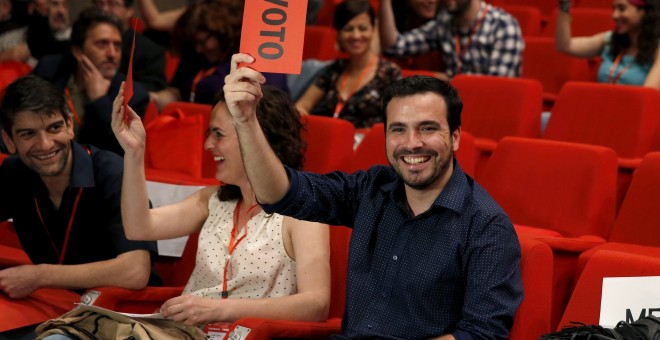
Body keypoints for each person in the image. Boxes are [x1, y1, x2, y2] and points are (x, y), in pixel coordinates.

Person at [224, 53, 524, 339]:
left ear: (455, 137)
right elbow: (281, 194)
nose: (411, 143)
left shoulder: (487, 226)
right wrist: (246, 120)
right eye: (398, 130)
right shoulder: (371, 188)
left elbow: (482, 334)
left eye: (427, 128)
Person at [103, 82, 331, 326]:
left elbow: (316, 304)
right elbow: (138, 227)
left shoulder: (302, 212)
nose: (207, 144)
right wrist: (134, 153)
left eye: (218, 134)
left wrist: (220, 310)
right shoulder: (212, 199)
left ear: (257, 137)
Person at [0, 75, 159, 337]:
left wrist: (39, 276)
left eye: (54, 128)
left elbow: (135, 271)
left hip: (117, 315)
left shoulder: (112, 172)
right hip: (51, 309)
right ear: (9, 141)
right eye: (28, 134)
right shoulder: (15, 172)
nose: (45, 144)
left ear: (70, 125)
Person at [32, 7, 149, 155]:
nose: (112, 54)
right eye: (102, 44)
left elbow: (118, 152)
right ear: (78, 51)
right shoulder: (50, 69)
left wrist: (99, 101)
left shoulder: (133, 95)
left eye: (117, 46)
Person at [150, 0, 288, 110]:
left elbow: (267, 105)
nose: (199, 50)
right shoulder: (195, 55)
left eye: (202, 42)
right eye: (195, 44)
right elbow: (178, 92)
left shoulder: (249, 56)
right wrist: (154, 98)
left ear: (220, 32)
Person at [295, 0, 401, 129]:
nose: (356, 35)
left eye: (362, 28)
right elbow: (302, 106)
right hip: (332, 140)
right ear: (338, 34)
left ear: (373, 30)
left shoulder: (389, 72)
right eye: (348, 29)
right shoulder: (335, 69)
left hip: (368, 145)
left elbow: (398, 119)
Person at [379, 0, 524, 80]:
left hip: (489, 109)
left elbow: (496, 88)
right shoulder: (444, 23)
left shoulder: (503, 26)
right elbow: (394, 46)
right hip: (452, 109)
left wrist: (447, 80)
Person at [555, 0, 660, 89]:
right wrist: (564, 7)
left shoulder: (657, 48)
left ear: (643, 12)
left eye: (622, 9)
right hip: (602, 107)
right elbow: (564, 46)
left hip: (634, 110)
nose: (614, 15)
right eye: (614, 9)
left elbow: (647, 96)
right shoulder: (609, 39)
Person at [93, 0, 167, 92]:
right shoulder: (84, 43)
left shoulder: (149, 51)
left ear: (129, 10)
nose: (104, 9)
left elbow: (152, 93)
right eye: (99, 3)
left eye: (112, 4)